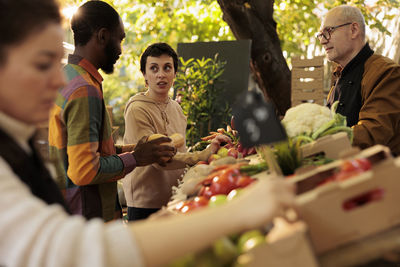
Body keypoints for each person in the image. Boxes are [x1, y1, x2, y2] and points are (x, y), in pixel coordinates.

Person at [0, 2, 294, 265]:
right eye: (42, 63)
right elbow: (69, 244)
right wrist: (233, 214)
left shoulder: (20, 138)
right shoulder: (84, 89)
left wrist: (131, 153)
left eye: (168, 68)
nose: (56, 80)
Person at [48, 1, 176, 222]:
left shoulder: (66, 77)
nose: (120, 49)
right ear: (103, 36)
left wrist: (134, 149)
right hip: (89, 221)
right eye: (120, 39)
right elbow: (84, 170)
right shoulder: (83, 89)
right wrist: (136, 158)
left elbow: (83, 150)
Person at [123, 43, 230, 221]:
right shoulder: (137, 109)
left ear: (174, 73)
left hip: (175, 197)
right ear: (145, 75)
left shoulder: (176, 108)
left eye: (167, 68)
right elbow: (158, 158)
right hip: (146, 204)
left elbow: (180, 152)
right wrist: (202, 155)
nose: (161, 74)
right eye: (154, 68)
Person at [318, 5, 400, 155]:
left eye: (328, 32)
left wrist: (318, 146)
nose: (323, 41)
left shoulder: (386, 72)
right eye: (320, 35)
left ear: (354, 30)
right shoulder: (339, 76)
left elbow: (372, 134)